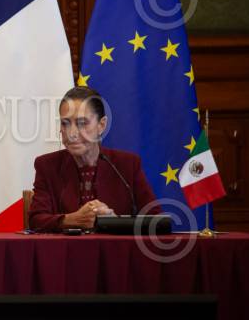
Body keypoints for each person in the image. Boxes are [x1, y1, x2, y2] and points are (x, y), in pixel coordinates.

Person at [28, 86, 160, 232]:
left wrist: (114, 222)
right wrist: (72, 220)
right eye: (65, 123)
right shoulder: (47, 166)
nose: (72, 133)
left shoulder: (127, 165)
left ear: (101, 125)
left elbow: (157, 221)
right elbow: (35, 220)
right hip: (65, 247)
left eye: (82, 123)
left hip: (115, 247)